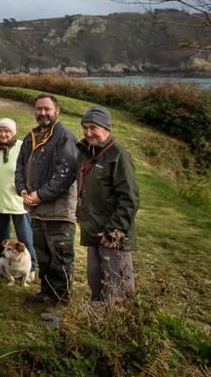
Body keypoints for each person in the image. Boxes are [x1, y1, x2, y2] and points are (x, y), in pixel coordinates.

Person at [15, 93, 78, 306]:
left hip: (59, 213)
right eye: (39, 109)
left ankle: (61, 300)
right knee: (43, 255)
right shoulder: (30, 137)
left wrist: (40, 195)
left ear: (57, 110)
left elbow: (65, 175)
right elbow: (20, 167)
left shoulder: (65, 137)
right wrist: (23, 189)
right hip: (38, 211)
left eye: (47, 109)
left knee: (60, 257)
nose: (43, 113)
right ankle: (46, 292)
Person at [76, 105, 140, 304]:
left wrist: (114, 231)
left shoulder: (118, 156)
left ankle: (117, 325)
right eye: (85, 127)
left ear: (106, 128)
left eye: (93, 127)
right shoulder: (88, 152)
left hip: (111, 235)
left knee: (117, 286)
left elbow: (129, 199)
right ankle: (97, 319)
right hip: (94, 229)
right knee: (96, 280)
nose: (88, 133)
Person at [0, 118, 36, 272]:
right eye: (0, 130)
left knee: (25, 237)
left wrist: (23, 186)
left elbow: (32, 173)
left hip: (19, 202)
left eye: (7, 131)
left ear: (14, 132)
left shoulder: (22, 148)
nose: (3, 134)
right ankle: (3, 265)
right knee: (2, 237)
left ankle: (30, 268)